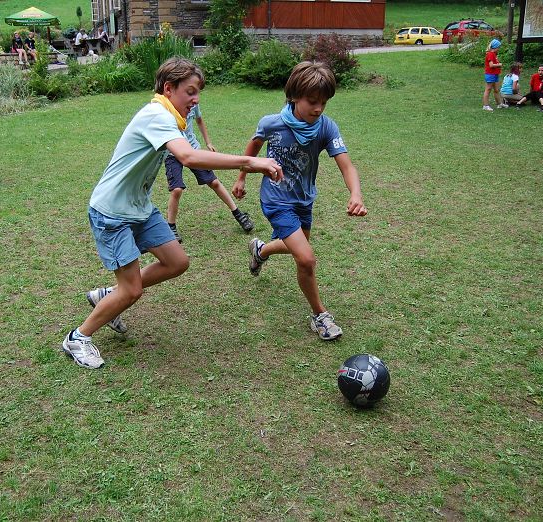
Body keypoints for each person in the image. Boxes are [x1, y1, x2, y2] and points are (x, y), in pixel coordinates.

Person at [61, 58, 283, 369]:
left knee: (177, 262)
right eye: (190, 92)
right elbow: (188, 157)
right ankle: (78, 337)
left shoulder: (175, 120)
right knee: (132, 289)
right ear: (169, 88)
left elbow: (197, 153)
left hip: (138, 208)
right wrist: (250, 162)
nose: (196, 99)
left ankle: (108, 296)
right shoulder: (156, 115)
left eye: (198, 93)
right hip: (112, 213)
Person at [231, 61, 368, 342]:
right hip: (276, 200)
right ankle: (320, 315)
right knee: (306, 258)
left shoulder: (326, 127)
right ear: (294, 96)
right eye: (312, 101)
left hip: (304, 199)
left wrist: (356, 193)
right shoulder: (272, 124)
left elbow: (346, 165)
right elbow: (252, 149)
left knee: (297, 245)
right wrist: (242, 177)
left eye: (324, 103)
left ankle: (261, 250)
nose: (318, 109)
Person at [164, 102, 255, 243]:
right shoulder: (165, 106)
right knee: (176, 190)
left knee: (214, 182)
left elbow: (199, 120)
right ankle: (171, 226)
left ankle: (239, 214)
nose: (194, 98)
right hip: (172, 154)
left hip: (192, 150)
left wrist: (208, 142)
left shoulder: (193, 104)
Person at [483, 39, 503, 111]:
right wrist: (499, 65)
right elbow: (491, 65)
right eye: (498, 47)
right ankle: (485, 105)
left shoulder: (494, 54)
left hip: (495, 74)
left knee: (496, 90)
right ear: (495, 47)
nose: (499, 49)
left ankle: (499, 104)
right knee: (488, 89)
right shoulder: (490, 54)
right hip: (490, 74)